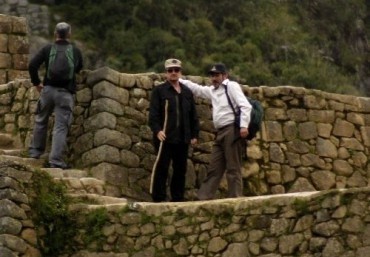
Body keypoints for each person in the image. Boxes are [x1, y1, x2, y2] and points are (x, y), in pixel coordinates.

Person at [180, 63, 252, 200]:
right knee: (214, 167)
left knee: (232, 166)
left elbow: (245, 106)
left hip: (232, 129)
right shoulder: (213, 91)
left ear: (225, 76)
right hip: (220, 132)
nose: (214, 78)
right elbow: (198, 89)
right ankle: (204, 198)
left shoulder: (231, 86)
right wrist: (180, 80)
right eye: (212, 75)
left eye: (217, 75)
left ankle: (235, 198)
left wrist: (243, 126)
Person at [28, 22, 83, 169]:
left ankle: (35, 152)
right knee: (60, 127)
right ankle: (56, 161)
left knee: (40, 120)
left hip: (47, 91)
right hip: (65, 93)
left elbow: (32, 65)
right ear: (69, 34)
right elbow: (79, 68)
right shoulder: (75, 51)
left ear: (55, 34)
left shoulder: (47, 48)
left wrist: (36, 83)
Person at [148, 58, 199, 202]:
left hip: (182, 138)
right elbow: (153, 114)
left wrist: (195, 134)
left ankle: (177, 198)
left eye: (176, 70)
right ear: (166, 73)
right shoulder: (159, 91)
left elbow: (193, 115)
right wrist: (157, 131)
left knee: (180, 170)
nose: (173, 73)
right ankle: (158, 198)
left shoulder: (187, 92)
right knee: (162, 168)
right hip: (165, 137)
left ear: (180, 72)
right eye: (170, 70)